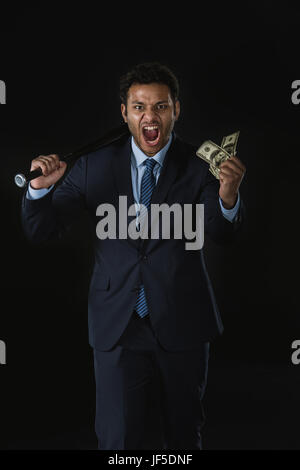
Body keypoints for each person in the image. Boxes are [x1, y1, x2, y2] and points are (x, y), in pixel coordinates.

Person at [21, 62, 246, 450]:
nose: (150, 116)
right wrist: (39, 190)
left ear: (176, 109)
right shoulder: (93, 167)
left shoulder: (201, 167)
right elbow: (41, 230)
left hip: (183, 321)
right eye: (139, 107)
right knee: (118, 442)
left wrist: (228, 195)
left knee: (183, 438)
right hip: (118, 326)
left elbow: (223, 234)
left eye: (160, 106)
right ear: (124, 113)